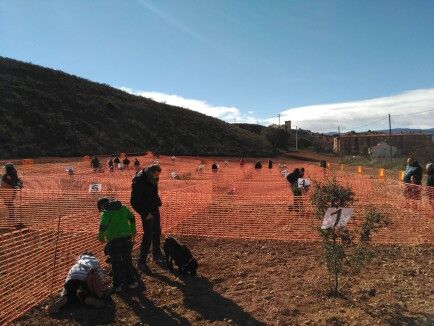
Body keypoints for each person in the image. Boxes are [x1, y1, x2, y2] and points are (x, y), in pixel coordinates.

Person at [97, 197, 138, 292]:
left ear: (101, 206)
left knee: (115, 263)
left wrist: (101, 237)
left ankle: (117, 286)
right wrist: (133, 230)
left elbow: (103, 225)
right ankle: (132, 282)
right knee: (127, 260)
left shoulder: (106, 212)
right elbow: (132, 217)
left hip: (113, 240)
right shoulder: (123, 208)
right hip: (127, 238)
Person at [130, 164, 163, 273]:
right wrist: (145, 213)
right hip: (147, 211)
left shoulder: (152, 178)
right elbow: (134, 202)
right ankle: (142, 262)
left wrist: (158, 200)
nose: (157, 177)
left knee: (157, 231)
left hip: (154, 208)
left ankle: (156, 253)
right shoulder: (139, 181)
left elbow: (153, 192)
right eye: (156, 175)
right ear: (151, 172)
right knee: (148, 235)